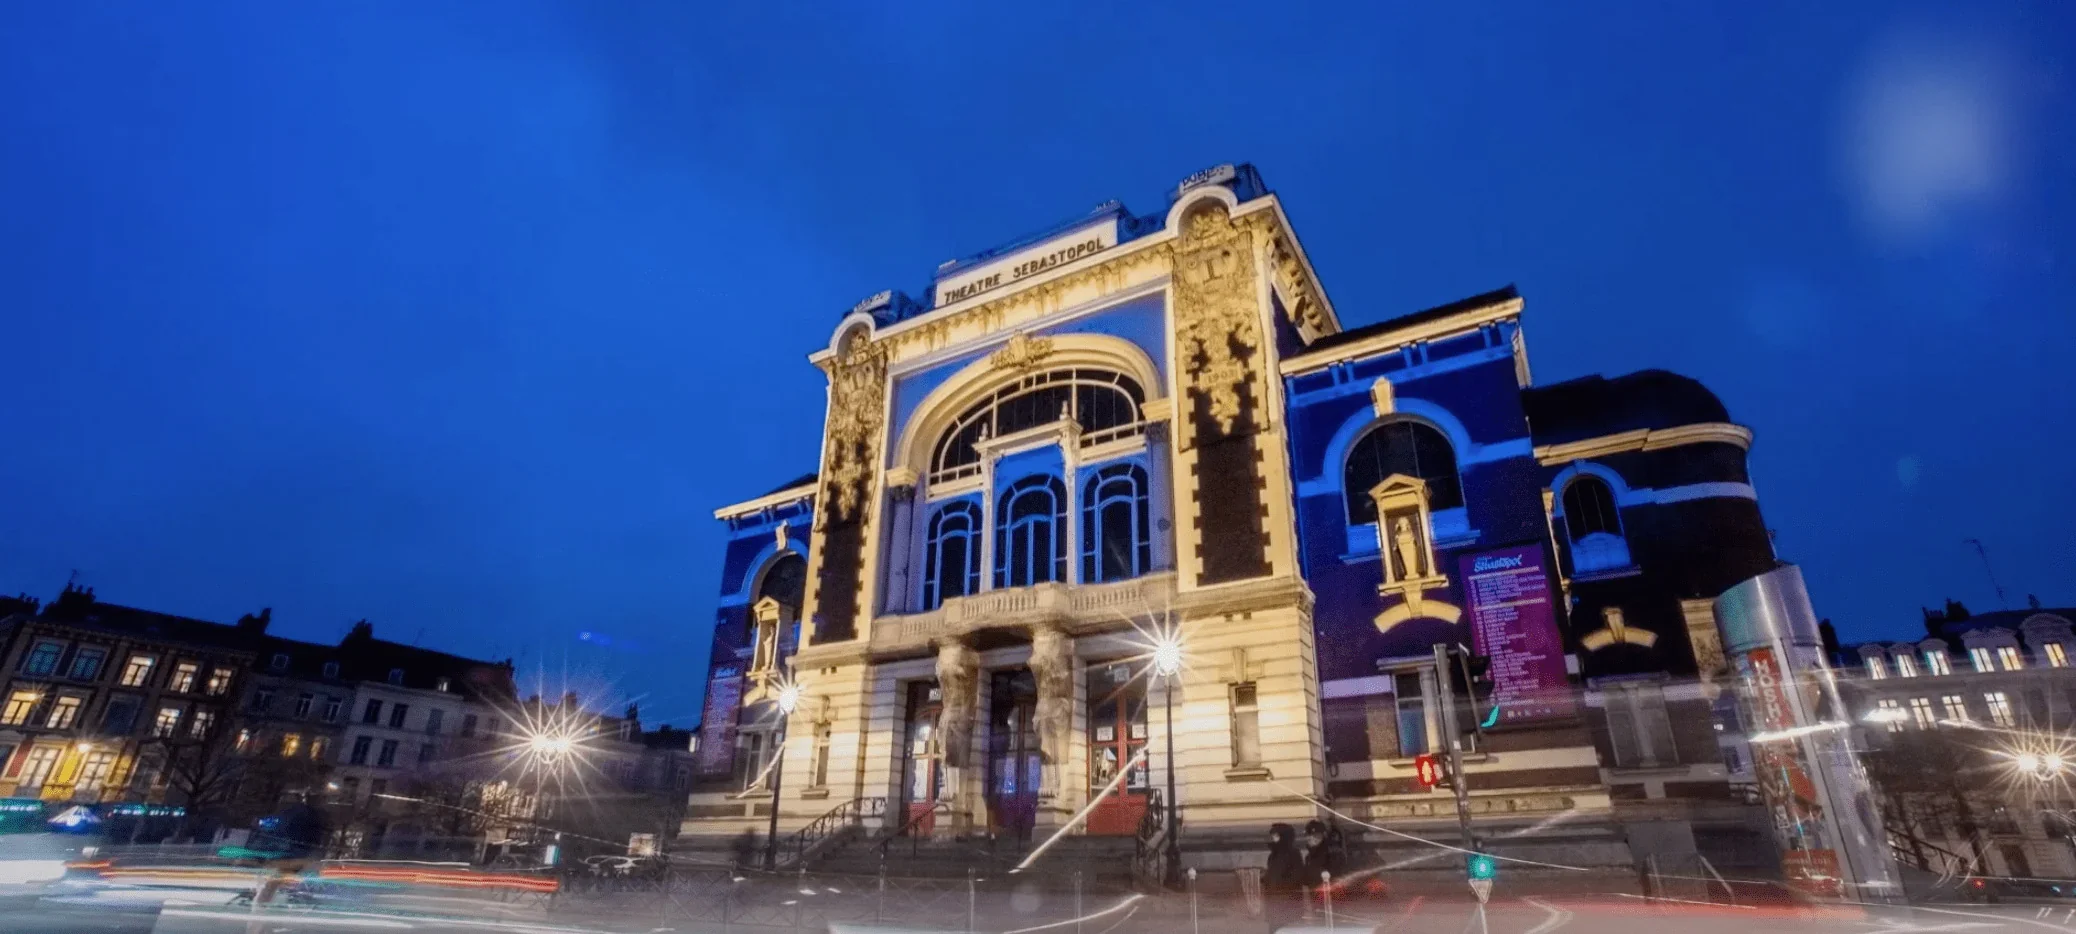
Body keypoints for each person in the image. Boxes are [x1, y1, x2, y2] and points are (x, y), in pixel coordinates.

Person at [1263, 823, 1306, 932]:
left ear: (1284, 836)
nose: (1273, 839)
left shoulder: (1293, 853)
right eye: (1272, 836)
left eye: (1276, 836)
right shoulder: (1273, 855)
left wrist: (1279, 887)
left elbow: (1297, 877)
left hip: (1288, 907)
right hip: (1274, 906)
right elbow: (1273, 875)